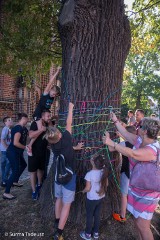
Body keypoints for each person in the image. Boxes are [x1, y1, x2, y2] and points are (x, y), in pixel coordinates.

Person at [102, 113, 160, 240]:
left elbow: (133, 154)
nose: (137, 127)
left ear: (145, 131)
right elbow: (127, 134)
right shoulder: (140, 140)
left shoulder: (152, 150)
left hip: (147, 194)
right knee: (137, 223)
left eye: (140, 126)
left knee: (143, 226)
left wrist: (111, 143)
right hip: (137, 189)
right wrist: (115, 120)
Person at [44, 102, 84, 240]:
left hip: (58, 177)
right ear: (60, 136)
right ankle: (59, 232)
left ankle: (56, 221)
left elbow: (67, 149)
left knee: (58, 199)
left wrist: (76, 148)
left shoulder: (54, 145)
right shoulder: (66, 137)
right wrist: (71, 108)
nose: (61, 130)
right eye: (59, 131)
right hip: (69, 177)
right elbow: (69, 122)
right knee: (67, 204)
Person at [27, 67, 61, 156]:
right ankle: (29, 146)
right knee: (41, 129)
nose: (54, 95)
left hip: (45, 114)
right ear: (50, 90)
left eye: (55, 94)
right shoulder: (46, 93)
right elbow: (50, 82)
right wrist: (57, 71)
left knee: (49, 125)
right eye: (53, 93)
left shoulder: (53, 98)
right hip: (38, 113)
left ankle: (51, 141)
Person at [80, 155, 108, 240]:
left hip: (91, 199)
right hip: (101, 198)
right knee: (97, 215)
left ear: (93, 163)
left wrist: (83, 191)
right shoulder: (104, 172)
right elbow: (106, 184)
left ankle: (88, 234)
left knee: (89, 216)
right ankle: (96, 233)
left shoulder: (89, 174)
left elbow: (88, 188)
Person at [112, 126, 136, 222]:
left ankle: (122, 216)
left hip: (126, 172)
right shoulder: (139, 143)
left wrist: (109, 139)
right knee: (132, 193)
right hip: (136, 174)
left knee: (124, 195)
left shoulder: (124, 143)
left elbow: (111, 148)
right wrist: (121, 135)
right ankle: (134, 211)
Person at [3, 113, 28, 200]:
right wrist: (26, 147)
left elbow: (27, 138)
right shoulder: (17, 128)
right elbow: (15, 143)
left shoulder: (23, 128)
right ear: (23, 118)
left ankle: (15, 181)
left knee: (24, 164)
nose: (27, 120)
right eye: (27, 118)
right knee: (15, 170)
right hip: (12, 152)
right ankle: (6, 192)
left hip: (18, 152)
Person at [28, 109, 51, 200]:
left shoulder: (47, 124)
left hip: (43, 151)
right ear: (42, 116)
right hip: (33, 152)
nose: (49, 118)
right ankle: (34, 191)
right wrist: (41, 130)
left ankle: (39, 184)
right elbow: (31, 135)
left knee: (41, 169)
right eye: (48, 116)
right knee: (33, 171)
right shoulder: (35, 123)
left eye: (50, 116)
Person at [0, 117, 13, 187]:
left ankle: (4, 180)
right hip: (5, 150)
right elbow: (2, 140)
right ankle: (4, 181)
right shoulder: (5, 129)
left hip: (6, 150)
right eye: (9, 120)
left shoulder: (9, 129)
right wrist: (7, 148)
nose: (11, 121)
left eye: (11, 120)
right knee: (7, 165)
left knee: (6, 165)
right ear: (5, 122)